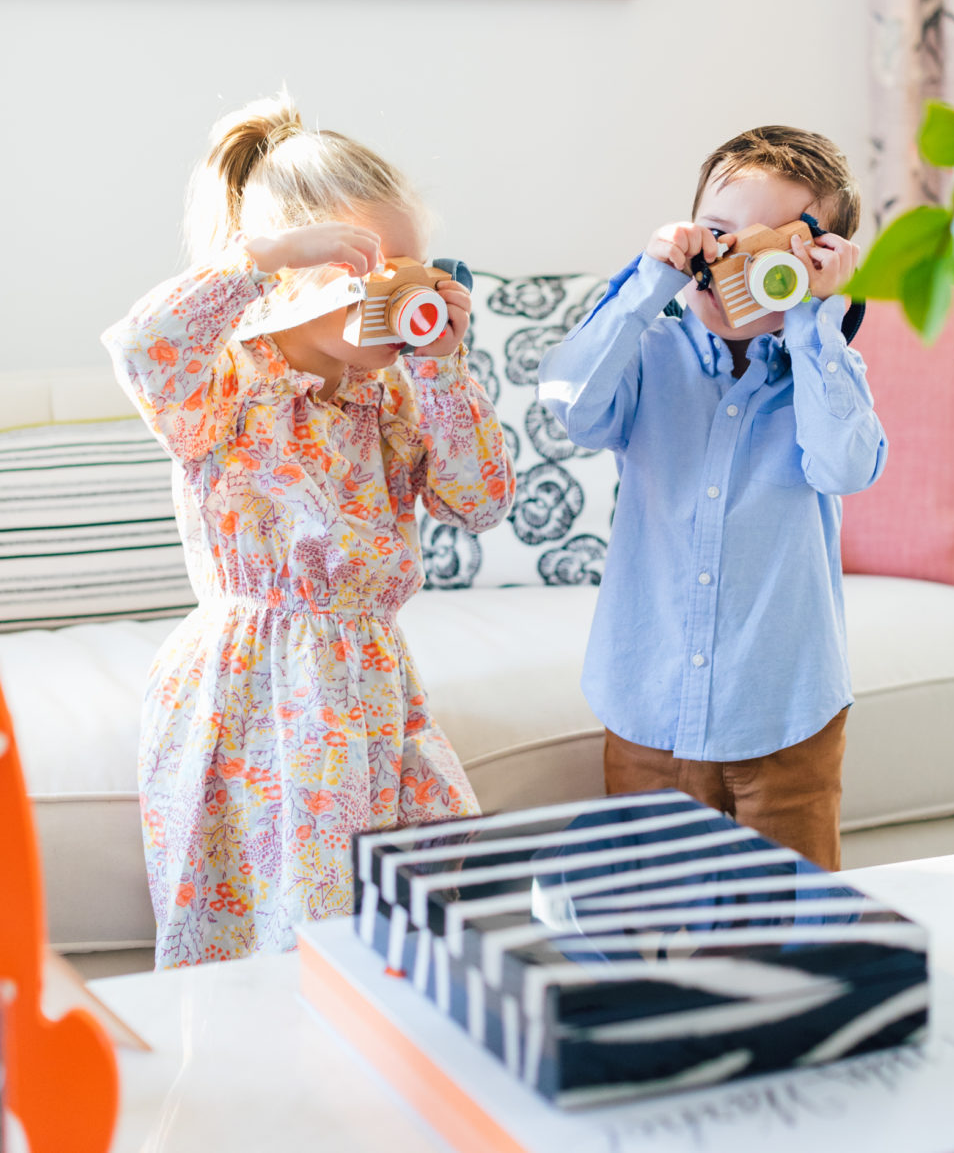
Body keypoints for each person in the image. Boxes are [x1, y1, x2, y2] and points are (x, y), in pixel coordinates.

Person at [102, 96, 515, 967]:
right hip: (257, 696)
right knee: (294, 924)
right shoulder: (225, 388)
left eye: (415, 271)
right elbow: (142, 345)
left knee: (434, 890)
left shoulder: (395, 396)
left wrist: (444, 367)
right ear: (297, 275)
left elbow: (478, 501)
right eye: (373, 273)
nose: (401, 296)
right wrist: (263, 261)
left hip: (371, 683)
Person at [537, 126, 887, 872]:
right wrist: (649, 280)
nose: (732, 262)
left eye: (769, 250)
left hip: (785, 715)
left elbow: (846, 466)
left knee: (794, 933)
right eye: (719, 234)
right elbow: (570, 405)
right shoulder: (649, 357)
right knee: (641, 919)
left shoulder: (823, 372)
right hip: (647, 710)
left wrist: (814, 319)